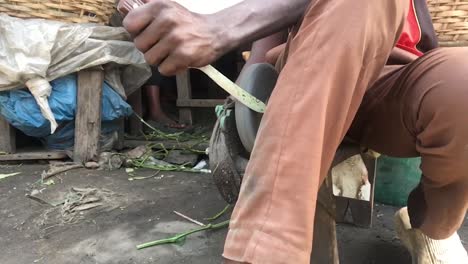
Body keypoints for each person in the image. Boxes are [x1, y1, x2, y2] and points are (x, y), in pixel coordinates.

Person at [122, 0, 468, 263]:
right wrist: (237, 99)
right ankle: (266, 248)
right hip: (310, 69)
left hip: (390, 82)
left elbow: (428, 48)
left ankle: (430, 227)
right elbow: (262, 50)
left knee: (462, 78)